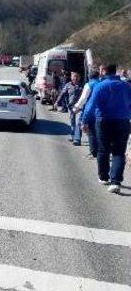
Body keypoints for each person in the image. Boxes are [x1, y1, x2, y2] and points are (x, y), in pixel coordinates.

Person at [82, 64, 131, 194]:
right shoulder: (127, 86)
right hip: (123, 121)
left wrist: (85, 120)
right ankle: (116, 182)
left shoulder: (100, 86)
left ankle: (103, 177)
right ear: (115, 71)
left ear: (104, 71)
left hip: (103, 120)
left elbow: (90, 105)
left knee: (103, 149)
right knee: (119, 152)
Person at [73, 69, 101, 158]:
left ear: (89, 76)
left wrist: (76, 107)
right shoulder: (101, 84)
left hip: (91, 111)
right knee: (98, 132)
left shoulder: (89, 84)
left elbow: (83, 98)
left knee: (91, 132)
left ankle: (93, 153)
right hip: (102, 111)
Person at [54, 72, 83, 145]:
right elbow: (62, 94)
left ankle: (77, 139)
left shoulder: (82, 85)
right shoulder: (68, 85)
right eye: (74, 76)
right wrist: (57, 102)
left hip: (79, 107)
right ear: (71, 77)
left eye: (77, 76)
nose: (75, 78)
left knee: (78, 122)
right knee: (72, 122)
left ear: (79, 78)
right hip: (71, 107)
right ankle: (73, 136)